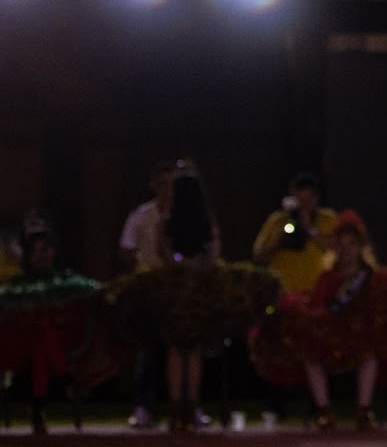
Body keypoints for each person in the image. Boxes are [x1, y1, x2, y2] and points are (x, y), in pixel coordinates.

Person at [111, 170, 279, 432]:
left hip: (175, 293)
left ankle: (177, 410)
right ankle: (191, 406)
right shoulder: (205, 220)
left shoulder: (167, 221)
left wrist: (180, 266)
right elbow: (214, 255)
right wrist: (197, 268)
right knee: (194, 351)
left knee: (176, 350)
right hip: (200, 292)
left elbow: (163, 254)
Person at [249, 210, 387, 431]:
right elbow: (318, 307)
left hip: (361, 338)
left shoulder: (374, 279)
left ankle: (363, 410)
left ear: (361, 246)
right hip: (330, 336)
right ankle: (323, 411)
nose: (347, 250)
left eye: (351, 244)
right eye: (341, 244)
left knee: (368, 352)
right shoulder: (328, 277)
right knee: (309, 350)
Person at [0, 218, 114, 434]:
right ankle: (65, 379)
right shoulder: (17, 285)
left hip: (57, 345)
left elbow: (92, 288)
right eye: (35, 251)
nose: (41, 255)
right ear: (27, 254)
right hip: (18, 350)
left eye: (46, 249)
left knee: (41, 344)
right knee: (39, 338)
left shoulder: (65, 279)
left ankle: (38, 408)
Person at [252, 173, 339, 423]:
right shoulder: (277, 221)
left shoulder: (328, 219)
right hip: (282, 296)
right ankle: (274, 405)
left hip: (316, 297)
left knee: (314, 351)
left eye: (308, 198)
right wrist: (281, 236)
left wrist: (309, 228)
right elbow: (259, 256)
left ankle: (318, 406)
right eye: (299, 198)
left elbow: (335, 249)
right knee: (278, 349)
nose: (303, 203)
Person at [117, 160, 176, 428]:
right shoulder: (140, 215)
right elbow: (126, 248)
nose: (166, 189)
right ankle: (143, 406)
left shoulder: (184, 214)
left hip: (177, 288)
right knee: (148, 350)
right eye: (161, 183)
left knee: (181, 348)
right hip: (149, 289)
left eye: (171, 183)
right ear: (152, 185)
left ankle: (184, 406)